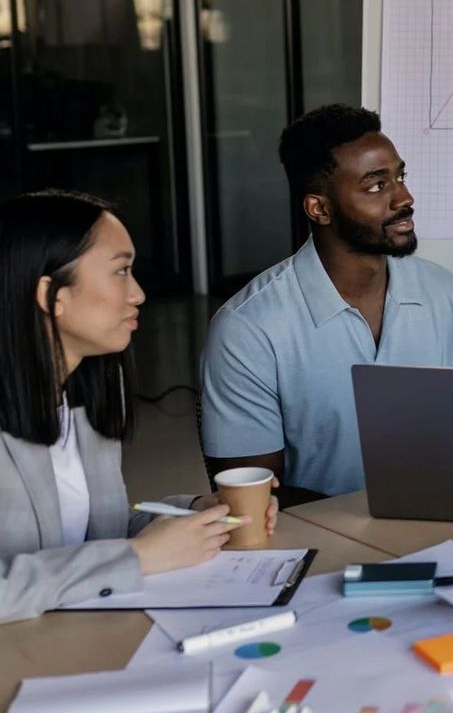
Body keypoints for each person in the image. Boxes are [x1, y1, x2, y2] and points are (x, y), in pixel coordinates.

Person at [1, 191, 274, 625]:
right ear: (50, 294)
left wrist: (199, 512)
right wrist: (138, 557)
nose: (139, 294)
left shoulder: (84, 408)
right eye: (121, 272)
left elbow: (95, 537)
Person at [200, 105, 453, 497]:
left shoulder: (446, 293)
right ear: (320, 208)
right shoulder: (248, 328)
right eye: (377, 185)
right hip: (320, 547)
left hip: (437, 525)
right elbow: (253, 504)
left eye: (400, 177)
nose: (404, 198)